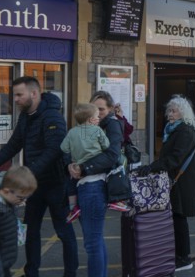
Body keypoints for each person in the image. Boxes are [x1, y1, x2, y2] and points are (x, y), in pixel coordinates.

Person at [0, 76, 79, 277]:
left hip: (55, 184)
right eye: (15, 95)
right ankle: (31, 273)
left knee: (64, 233)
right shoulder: (26, 117)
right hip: (34, 186)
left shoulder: (53, 117)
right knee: (32, 232)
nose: (16, 99)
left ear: (34, 94)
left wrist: (29, 172)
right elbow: (13, 145)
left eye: (20, 95)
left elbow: (54, 149)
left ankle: (71, 273)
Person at [138, 95, 195, 272]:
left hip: (181, 181)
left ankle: (184, 258)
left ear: (183, 113)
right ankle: (177, 254)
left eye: (173, 111)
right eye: (168, 111)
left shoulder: (185, 131)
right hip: (173, 179)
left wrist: (152, 167)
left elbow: (175, 158)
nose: (169, 114)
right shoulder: (173, 130)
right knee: (174, 217)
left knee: (179, 218)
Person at [67, 91, 124, 277]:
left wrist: (83, 168)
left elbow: (112, 155)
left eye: (101, 109)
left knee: (92, 243)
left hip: (94, 186)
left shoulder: (112, 125)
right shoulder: (86, 125)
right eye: (94, 108)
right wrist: (70, 164)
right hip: (85, 185)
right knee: (96, 240)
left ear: (110, 109)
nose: (97, 113)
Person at [60, 103, 128, 224]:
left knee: (71, 183)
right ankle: (115, 200)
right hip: (95, 167)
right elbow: (106, 145)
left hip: (78, 165)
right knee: (114, 169)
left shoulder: (72, 132)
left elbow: (64, 148)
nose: (99, 118)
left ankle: (73, 208)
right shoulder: (97, 130)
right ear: (91, 119)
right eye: (97, 116)